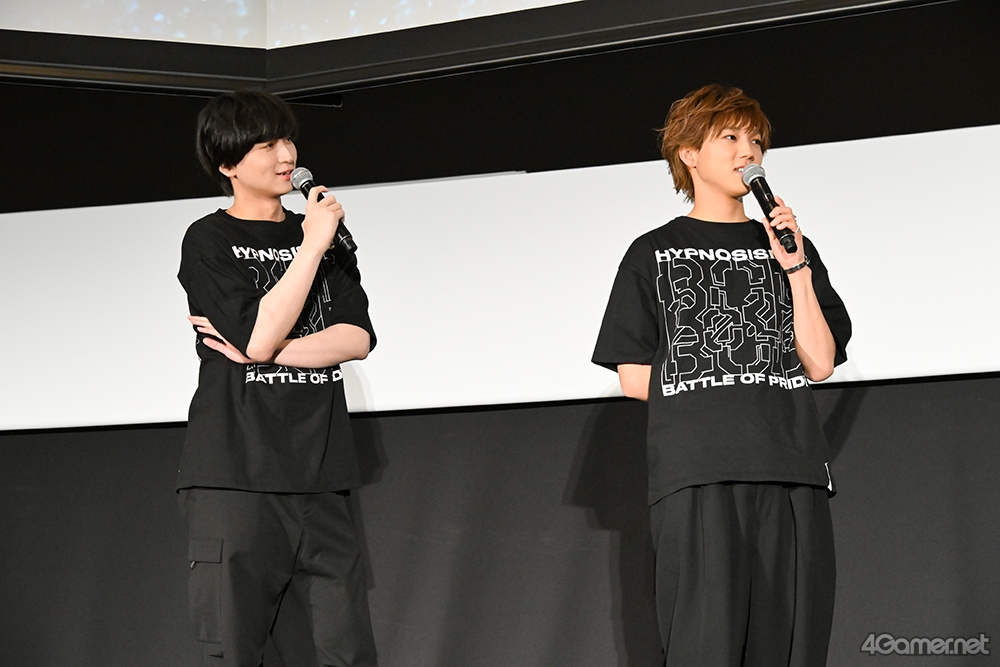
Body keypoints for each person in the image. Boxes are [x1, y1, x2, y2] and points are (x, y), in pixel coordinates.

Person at [592, 84, 852, 666]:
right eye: (730, 136)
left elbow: (819, 362)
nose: (747, 150)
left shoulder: (791, 248)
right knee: (704, 643)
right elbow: (633, 374)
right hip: (699, 470)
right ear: (688, 153)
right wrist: (725, 390)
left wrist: (796, 267)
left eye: (755, 139)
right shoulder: (653, 252)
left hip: (790, 468)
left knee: (790, 643)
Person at [176, 89, 378, 666]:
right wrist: (310, 247)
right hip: (236, 475)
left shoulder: (324, 235)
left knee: (344, 650)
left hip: (321, 475)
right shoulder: (208, 239)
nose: (285, 154)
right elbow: (257, 336)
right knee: (237, 648)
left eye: (287, 139)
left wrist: (265, 352)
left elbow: (356, 338)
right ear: (228, 163)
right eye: (265, 145)